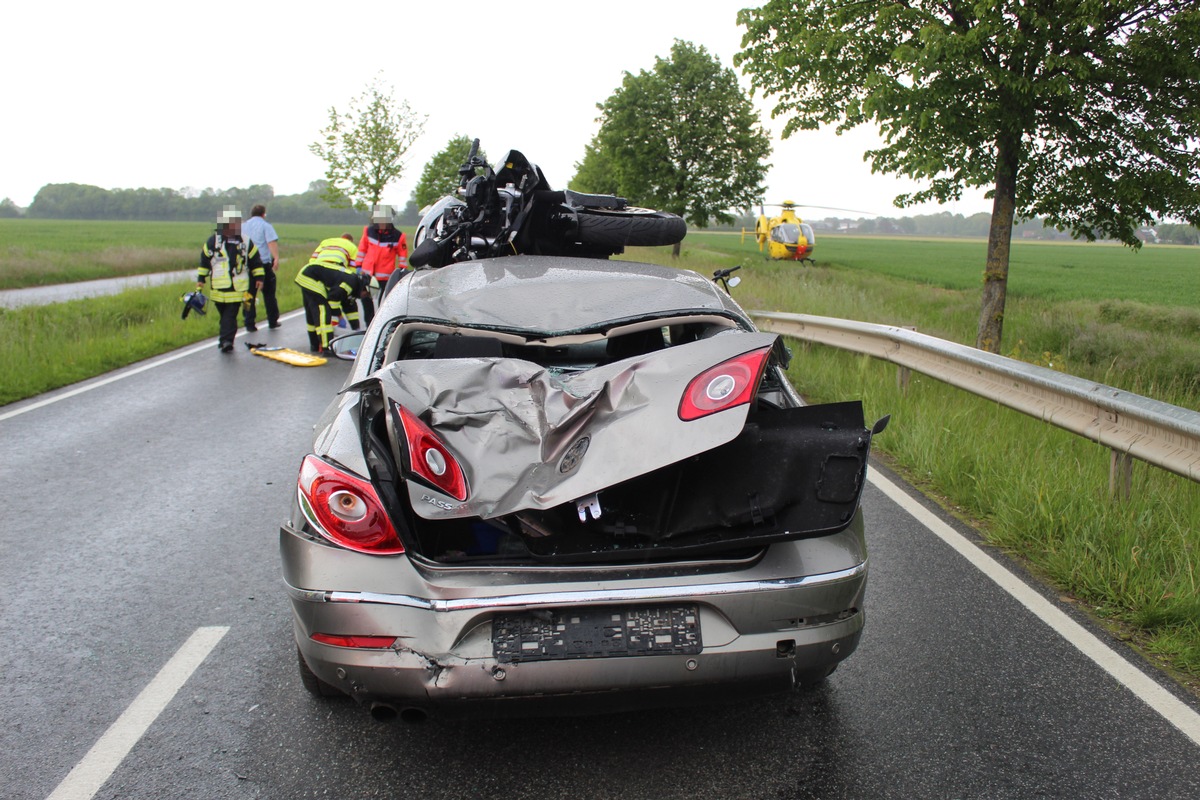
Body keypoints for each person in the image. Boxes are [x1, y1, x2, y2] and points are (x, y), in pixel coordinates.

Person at [198, 206, 264, 353]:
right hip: (218, 289)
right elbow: (204, 261)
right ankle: (225, 338)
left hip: (237, 289)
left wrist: (259, 277)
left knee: (230, 315)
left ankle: (226, 341)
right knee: (225, 316)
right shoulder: (213, 242)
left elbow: (256, 261)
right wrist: (201, 278)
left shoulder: (246, 242)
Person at [294, 234, 366, 354]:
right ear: (350, 240)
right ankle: (327, 345)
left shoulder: (325, 241)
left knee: (312, 309)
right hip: (324, 273)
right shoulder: (352, 246)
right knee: (323, 309)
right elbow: (352, 270)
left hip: (314, 271)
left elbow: (312, 261)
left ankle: (315, 344)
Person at [242, 204, 281, 330]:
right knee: (269, 294)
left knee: (248, 295)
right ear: (263, 214)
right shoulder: (266, 226)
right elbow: (271, 242)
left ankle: (249, 322)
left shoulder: (243, 226)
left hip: (246, 266)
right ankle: (272, 320)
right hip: (263, 263)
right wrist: (276, 258)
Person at [354, 205, 408, 295]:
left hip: (386, 276)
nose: (381, 223)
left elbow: (402, 256)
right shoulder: (368, 231)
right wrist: (358, 266)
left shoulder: (398, 236)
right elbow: (362, 250)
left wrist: (402, 272)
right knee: (365, 297)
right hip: (367, 273)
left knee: (383, 301)